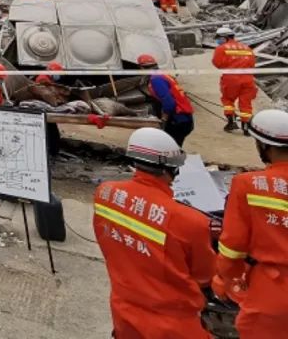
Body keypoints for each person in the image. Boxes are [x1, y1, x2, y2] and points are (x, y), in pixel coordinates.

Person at [93, 128, 215, 339]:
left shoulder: (106, 193)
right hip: (174, 326)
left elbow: (106, 239)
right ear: (172, 169)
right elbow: (204, 276)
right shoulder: (191, 221)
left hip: (124, 315)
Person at [212, 109, 288, 337]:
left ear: (263, 147)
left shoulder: (248, 184)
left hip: (273, 293)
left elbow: (232, 249)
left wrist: (226, 281)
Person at [140, 54, 196, 148]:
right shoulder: (163, 75)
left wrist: (164, 119)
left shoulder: (156, 79)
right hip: (185, 117)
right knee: (173, 146)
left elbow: (169, 103)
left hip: (178, 119)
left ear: (141, 68)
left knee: (170, 147)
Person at [213, 25, 258, 133]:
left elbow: (217, 63)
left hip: (231, 79)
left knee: (227, 99)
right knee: (245, 103)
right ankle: (246, 127)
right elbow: (252, 64)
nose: (218, 41)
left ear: (225, 38)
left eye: (219, 38)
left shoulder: (221, 48)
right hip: (248, 79)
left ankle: (231, 122)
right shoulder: (246, 48)